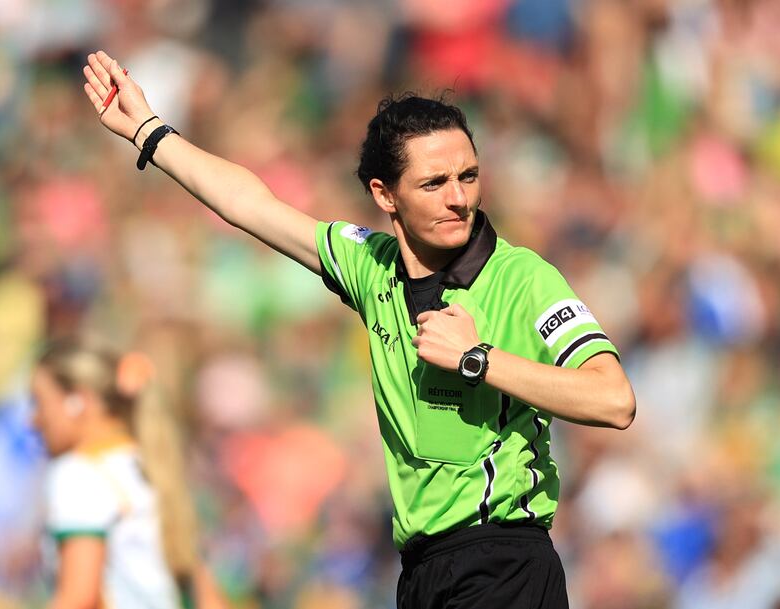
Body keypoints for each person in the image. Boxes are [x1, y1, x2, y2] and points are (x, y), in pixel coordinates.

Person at [81, 49, 636, 609]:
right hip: (421, 573)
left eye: (468, 176)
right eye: (434, 182)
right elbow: (249, 205)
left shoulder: (521, 278)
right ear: (384, 194)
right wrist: (148, 131)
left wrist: (480, 358)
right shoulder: (371, 267)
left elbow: (614, 399)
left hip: (502, 563)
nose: (458, 198)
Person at [31, 338, 227, 609]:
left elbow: (79, 598)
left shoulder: (78, 474)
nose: (34, 420)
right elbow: (208, 598)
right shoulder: (151, 467)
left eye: (40, 402)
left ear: (79, 401)